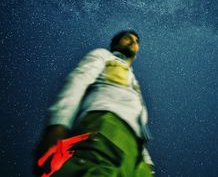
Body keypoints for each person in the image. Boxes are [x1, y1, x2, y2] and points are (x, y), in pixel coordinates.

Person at [33, 30, 154, 177]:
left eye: (136, 41)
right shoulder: (104, 56)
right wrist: (58, 124)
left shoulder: (134, 80)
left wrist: (146, 160)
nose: (133, 42)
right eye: (128, 38)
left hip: (135, 154)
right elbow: (78, 80)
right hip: (105, 126)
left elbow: (139, 120)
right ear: (116, 43)